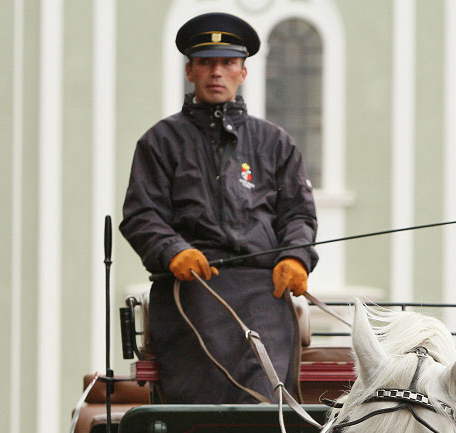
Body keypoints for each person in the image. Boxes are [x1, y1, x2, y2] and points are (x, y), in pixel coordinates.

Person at [121, 12, 317, 404]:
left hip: (265, 296)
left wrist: (295, 257)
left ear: (242, 73)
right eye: (206, 63)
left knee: (268, 403)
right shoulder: (159, 142)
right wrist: (174, 251)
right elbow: (142, 214)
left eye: (227, 63)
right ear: (190, 70)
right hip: (191, 295)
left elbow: (298, 214)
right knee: (202, 407)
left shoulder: (276, 143)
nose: (217, 72)